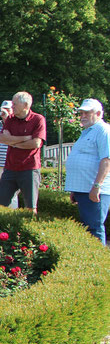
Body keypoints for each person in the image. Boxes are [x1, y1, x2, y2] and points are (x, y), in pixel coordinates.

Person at [65, 99, 110, 244]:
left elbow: (106, 160)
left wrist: (97, 186)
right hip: (84, 189)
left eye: (87, 112)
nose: (82, 116)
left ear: (98, 113)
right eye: (81, 113)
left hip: (96, 190)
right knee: (88, 227)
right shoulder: (87, 131)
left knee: (95, 228)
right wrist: (75, 190)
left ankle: (99, 263)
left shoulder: (103, 130)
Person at [0, 91, 46, 213]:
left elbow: (35, 144)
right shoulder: (10, 119)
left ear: (25, 105)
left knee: (31, 207)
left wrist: (12, 141)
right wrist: (25, 138)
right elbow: (2, 139)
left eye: (15, 104)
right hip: (10, 168)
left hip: (29, 169)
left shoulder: (38, 119)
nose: (12, 107)